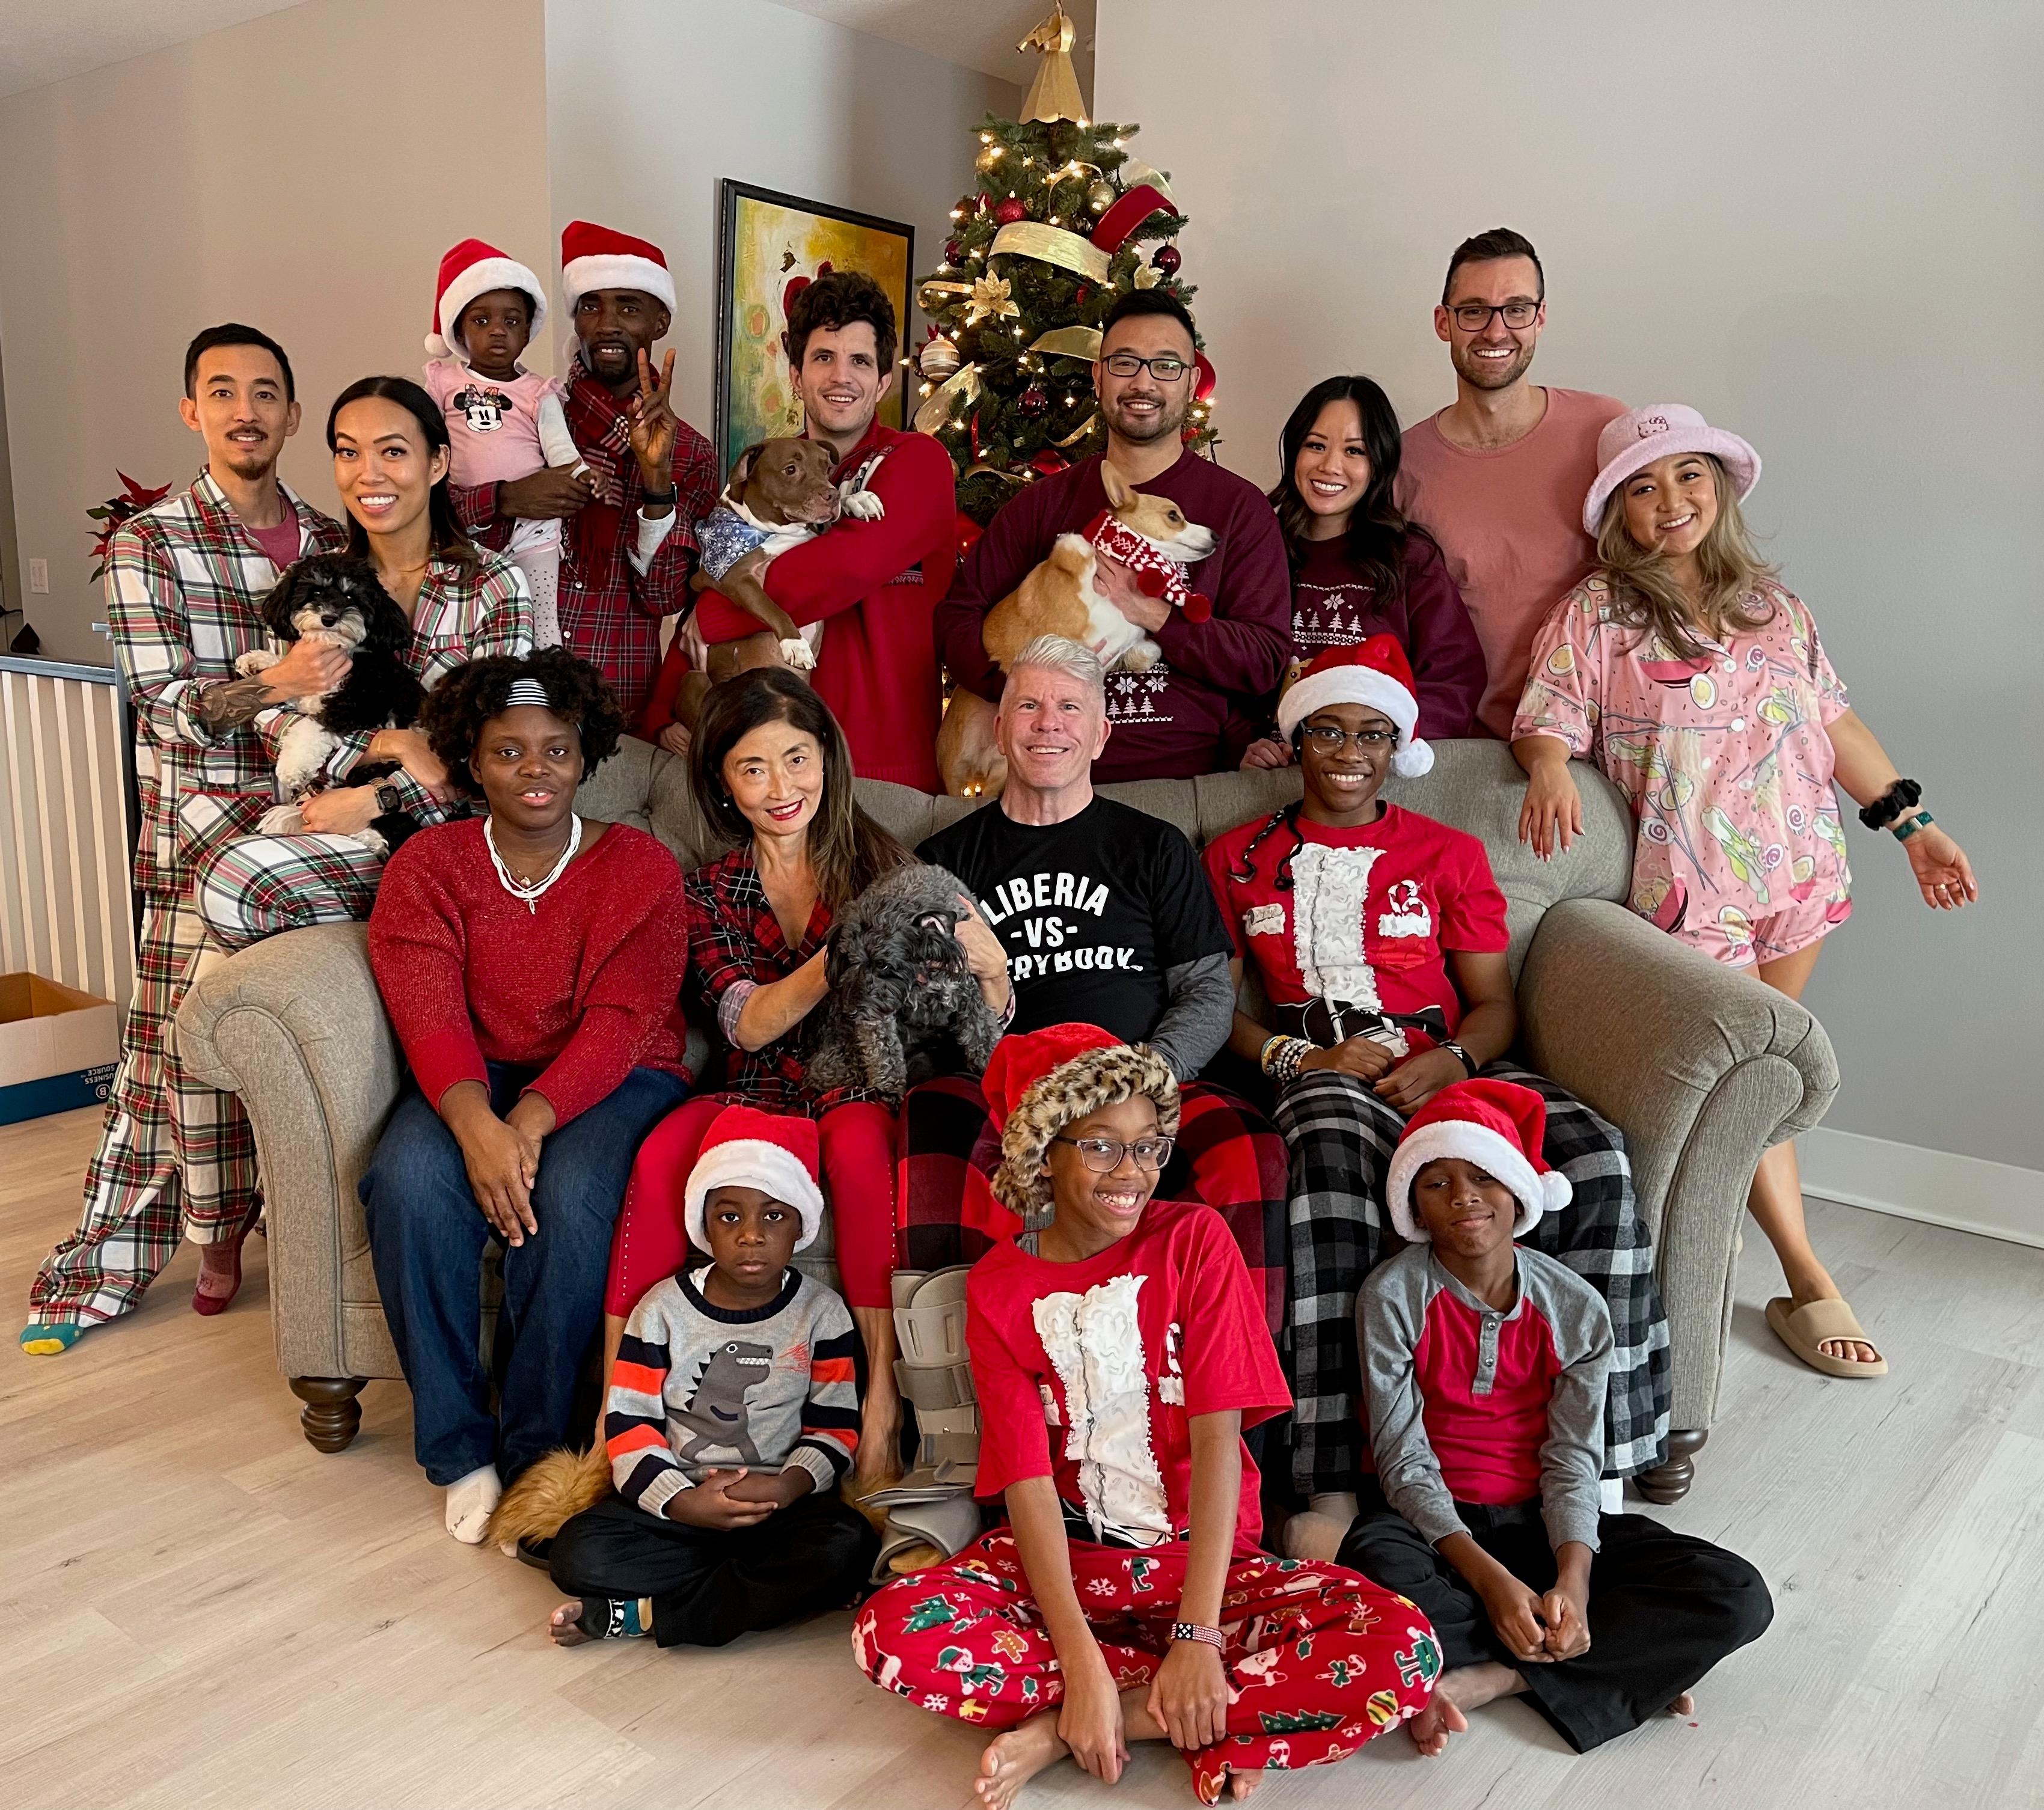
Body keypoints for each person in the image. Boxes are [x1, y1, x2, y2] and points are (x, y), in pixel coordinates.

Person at [855, 1024, 1440, 1808]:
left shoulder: (1193, 1239)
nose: (1131, 1171)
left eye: (1149, 1144)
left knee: (1404, 1650)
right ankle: (1202, 1710)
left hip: (1212, 1576)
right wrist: (1081, 1654)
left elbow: (1218, 1439)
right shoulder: (998, 1285)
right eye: (1101, 1144)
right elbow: (1028, 1483)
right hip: (1065, 1572)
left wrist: (1197, 1637)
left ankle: (1094, 1719)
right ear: (1041, 1149)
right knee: (888, 1631)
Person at [1513, 404, 1979, 1379]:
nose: (1670, 501)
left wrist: (1914, 826)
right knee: (1750, 1079)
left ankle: (1736, 1245)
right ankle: (1807, 1279)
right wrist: (1551, 767)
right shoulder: (1600, 613)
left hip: (1800, 879)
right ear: (1619, 515)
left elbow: (1837, 730)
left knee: (1758, 1083)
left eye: (1688, 476)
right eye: (1643, 487)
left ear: (1720, 486)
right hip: (1693, 895)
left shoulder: (1778, 607)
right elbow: (1546, 713)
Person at [1204, 638, 1668, 1537]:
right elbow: (1219, 1006)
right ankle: (1333, 1473)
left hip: (1448, 1057)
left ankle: (1603, 1455)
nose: (1348, 753)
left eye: (1371, 734)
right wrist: (1299, 1062)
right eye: (1327, 732)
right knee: (1333, 1175)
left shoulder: (1447, 851)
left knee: (1600, 1156)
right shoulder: (1237, 854)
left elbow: (1494, 1003)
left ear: (1397, 748)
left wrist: (1454, 1059)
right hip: (1319, 1064)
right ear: (1297, 742)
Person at [22, 325, 350, 1354]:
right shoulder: (149, 542)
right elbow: (163, 708)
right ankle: (108, 1268)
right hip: (201, 844)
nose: (245, 410)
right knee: (169, 1063)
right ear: (191, 412)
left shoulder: (333, 541)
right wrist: (280, 686)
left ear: (294, 416)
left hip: (315, 835)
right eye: (223, 392)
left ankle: (280, 1240)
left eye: (266, 393)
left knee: (308, 1044)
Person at [605, 670, 1011, 1490]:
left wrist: (996, 970)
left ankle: (881, 1413)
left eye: (797, 757)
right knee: (656, 1159)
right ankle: (609, 1420)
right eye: (752, 768)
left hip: (859, 1082)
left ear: (828, 756)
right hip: (752, 1087)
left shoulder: (890, 863)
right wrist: (853, 944)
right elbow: (746, 1022)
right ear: (722, 783)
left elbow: (971, 1005)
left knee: (863, 1153)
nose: (781, 785)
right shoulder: (710, 892)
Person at [360, 648, 691, 1540]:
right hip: (473, 1070)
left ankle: (538, 1446)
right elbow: (427, 1012)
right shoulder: (429, 865)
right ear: (473, 758)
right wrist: (477, 1125)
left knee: (574, 1194)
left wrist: (531, 1123)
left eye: (555, 749)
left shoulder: (641, 866)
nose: (534, 769)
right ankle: (460, 1447)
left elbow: (625, 1020)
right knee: (407, 1181)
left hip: (616, 1073)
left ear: (586, 757)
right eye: (509, 750)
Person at [1340, 1080, 1772, 1754]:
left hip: (1541, 1520)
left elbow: (1573, 1458)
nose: (1463, 1197)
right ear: (1413, 1207)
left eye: (1484, 1176)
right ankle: (1619, 1660)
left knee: (1737, 1592)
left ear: (1518, 1191)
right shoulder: (1393, 1295)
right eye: (1437, 1183)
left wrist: (1571, 1577)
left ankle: (1500, 1675)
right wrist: (1493, 1582)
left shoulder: (1574, 1307)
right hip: (1434, 1529)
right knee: (1366, 1571)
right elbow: (1402, 1461)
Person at [903, 637, 1285, 1326]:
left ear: (1101, 733)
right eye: (1028, 705)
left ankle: (1231, 1386)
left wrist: (1147, 1079)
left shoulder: (1154, 845)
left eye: (1069, 707)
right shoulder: (942, 863)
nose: (1048, 722)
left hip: (1145, 1077)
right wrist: (1005, 1068)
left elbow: (1206, 991)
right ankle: (968, 1383)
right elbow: (927, 1016)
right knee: (937, 1121)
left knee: (1243, 1146)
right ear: (999, 728)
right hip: (1003, 1083)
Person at [188, 376, 533, 964]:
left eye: (392, 451)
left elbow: (497, 747)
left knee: (236, 881)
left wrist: (379, 799)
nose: (367, 473)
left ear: (437, 462)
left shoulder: (493, 585)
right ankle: (379, 966)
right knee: (227, 881)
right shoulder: (319, 579)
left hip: (442, 835)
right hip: (325, 808)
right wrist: (390, 743)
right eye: (348, 452)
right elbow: (276, 711)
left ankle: (420, 947)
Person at [546, 1105, 878, 1648]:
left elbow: (835, 1425)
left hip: (779, 1506)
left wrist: (788, 1486)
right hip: (679, 1503)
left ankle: (645, 1616)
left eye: (773, 1216)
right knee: (577, 1551)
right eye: (730, 1217)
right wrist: (681, 1502)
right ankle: (759, 1591)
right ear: (703, 1224)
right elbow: (629, 1423)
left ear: (802, 1227)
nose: (751, 1235)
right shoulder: (661, 1310)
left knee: (847, 1543)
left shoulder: (824, 1312)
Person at [935, 291, 1291, 781]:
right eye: (1125, 363)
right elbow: (959, 617)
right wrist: (1024, 691)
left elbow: (1264, 659)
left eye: (1166, 366)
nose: (1143, 381)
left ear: (1191, 384)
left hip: (1184, 780)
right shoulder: (1042, 505)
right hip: (1047, 784)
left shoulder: (1238, 510)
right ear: (1099, 377)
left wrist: (1155, 615)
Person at [640, 269, 958, 790]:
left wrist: (716, 611)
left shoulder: (915, 461)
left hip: (884, 770)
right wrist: (661, 712)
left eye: (860, 361)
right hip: (769, 775)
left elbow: (840, 570)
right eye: (823, 358)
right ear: (796, 374)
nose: (841, 377)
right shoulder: (769, 469)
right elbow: (719, 557)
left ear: (882, 381)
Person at [452, 219, 718, 723]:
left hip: (615, 700)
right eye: (592, 306)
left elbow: (663, 598)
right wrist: (507, 498)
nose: (607, 323)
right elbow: (430, 523)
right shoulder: (523, 410)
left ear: (660, 323)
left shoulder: (690, 453)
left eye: (629, 307)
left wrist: (656, 482)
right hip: (505, 680)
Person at [1395, 228, 1626, 739]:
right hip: (1459, 748)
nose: (1496, 331)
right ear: (1443, 322)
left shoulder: (1604, 430)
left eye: (1516, 309)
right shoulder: (1404, 463)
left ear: (1540, 317)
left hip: (1599, 743)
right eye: (1474, 310)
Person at [1240, 375, 1482, 770]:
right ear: (1294, 451)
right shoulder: (1256, 550)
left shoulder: (1410, 559)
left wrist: (1383, 741)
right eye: (1315, 445)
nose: (1330, 466)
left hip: (1370, 776)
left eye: (1355, 451)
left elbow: (1455, 681)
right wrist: (1247, 746)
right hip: (1272, 775)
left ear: (1378, 464)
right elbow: (1227, 668)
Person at [421, 236, 590, 646]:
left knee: (539, 612)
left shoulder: (539, 391)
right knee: (467, 613)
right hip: (464, 526)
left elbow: (561, 449)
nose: (497, 330)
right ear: (459, 327)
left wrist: (583, 475)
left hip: (535, 528)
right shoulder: (443, 381)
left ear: (528, 330)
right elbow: (421, 447)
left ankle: (545, 665)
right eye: (482, 320)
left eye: (512, 321)